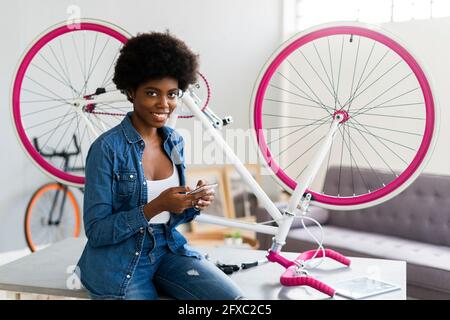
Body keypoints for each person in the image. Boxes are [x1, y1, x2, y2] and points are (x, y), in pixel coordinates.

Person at [76, 31, 245, 300]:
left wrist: (192, 202)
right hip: (118, 261)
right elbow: (96, 231)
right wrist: (157, 206)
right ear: (131, 91)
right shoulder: (106, 149)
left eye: (172, 94)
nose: (164, 104)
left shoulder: (174, 141)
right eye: (152, 93)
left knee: (235, 302)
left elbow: (172, 217)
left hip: (167, 250)